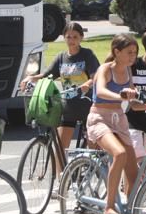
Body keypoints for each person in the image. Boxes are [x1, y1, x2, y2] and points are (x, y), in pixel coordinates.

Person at [87, 33, 143, 214]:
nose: (133, 56)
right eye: (129, 52)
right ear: (116, 52)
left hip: (119, 120)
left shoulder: (128, 71)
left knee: (134, 176)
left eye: (135, 53)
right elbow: (100, 90)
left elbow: (134, 101)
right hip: (99, 118)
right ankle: (108, 207)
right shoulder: (106, 69)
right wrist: (121, 95)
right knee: (118, 154)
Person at [20, 21, 100, 150]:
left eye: (75, 37)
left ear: (81, 38)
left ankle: (94, 168)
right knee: (60, 148)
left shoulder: (87, 55)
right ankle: (60, 171)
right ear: (64, 38)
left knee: (93, 148)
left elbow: (96, 76)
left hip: (87, 106)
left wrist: (88, 83)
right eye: (68, 37)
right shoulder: (61, 57)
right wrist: (31, 77)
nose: (71, 40)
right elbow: (47, 75)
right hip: (68, 107)